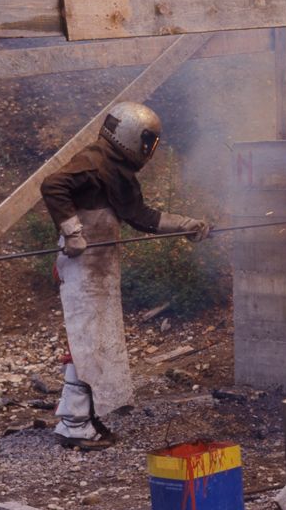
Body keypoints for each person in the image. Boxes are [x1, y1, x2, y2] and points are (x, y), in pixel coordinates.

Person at [39, 101, 209, 449]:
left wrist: (185, 225)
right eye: (147, 142)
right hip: (82, 268)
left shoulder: (115, 170)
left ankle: (84, 416)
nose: (149, 150)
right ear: (131, 135)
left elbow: (140, 216)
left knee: (95, 342)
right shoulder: (93, 161)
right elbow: (53, 185)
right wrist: (72, 231)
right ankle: (73, 425)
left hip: (99, 268)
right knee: (86, 343)